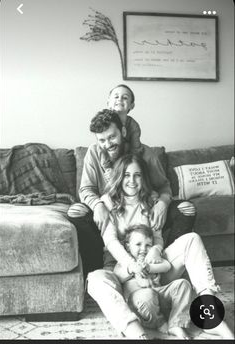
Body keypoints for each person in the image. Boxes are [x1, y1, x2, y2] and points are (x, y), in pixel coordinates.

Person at [87, 154, 234, 339]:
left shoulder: (150, 200)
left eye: (137, 175)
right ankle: (137, 333)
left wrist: (156, 249)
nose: (132, 181)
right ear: (119, 176)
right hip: (122, 271)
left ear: (143, 178)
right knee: (95, 279)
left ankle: (209, 314)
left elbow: (156, 236)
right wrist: (132, 265)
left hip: (154, 267)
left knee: (192, 239)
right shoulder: (108, 202)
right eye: (126, 175)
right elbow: (111, 241)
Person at [67, 109, 196, 277]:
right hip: (109, 213)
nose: (108, 144)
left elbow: (164, 186)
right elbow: (85, 189)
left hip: (144, 211)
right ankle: (98, 272)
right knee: (76, 212)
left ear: (123, 131)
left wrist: (162, 204)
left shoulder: (146, 154)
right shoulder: (93, 153)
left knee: (187, 209)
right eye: (102, 140)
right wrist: (98, 205)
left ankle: (162, 261)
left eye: (112, 137)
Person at [114, 224, 192, 339]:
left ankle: (176, 323)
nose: (143, 249)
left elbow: (167, 266)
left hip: (159, 296)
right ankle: (160, 323)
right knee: (147, 295)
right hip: (140, 304)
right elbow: (118, 276)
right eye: (138, 244)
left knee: (183, 284)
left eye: (148, 245)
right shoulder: (125, 263)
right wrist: (133, 269)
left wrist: (149, 267)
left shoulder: (151, 260)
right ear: (127, 246)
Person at [107, 84, 143, 155]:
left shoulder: (133, 126)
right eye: (116, 97)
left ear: (132, 105)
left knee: (148, 153)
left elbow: (135, 148)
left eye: (125, 98)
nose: (120, 99)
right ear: (108, 103)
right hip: (108, 151)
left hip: (127, 153)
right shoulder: (104, 120)